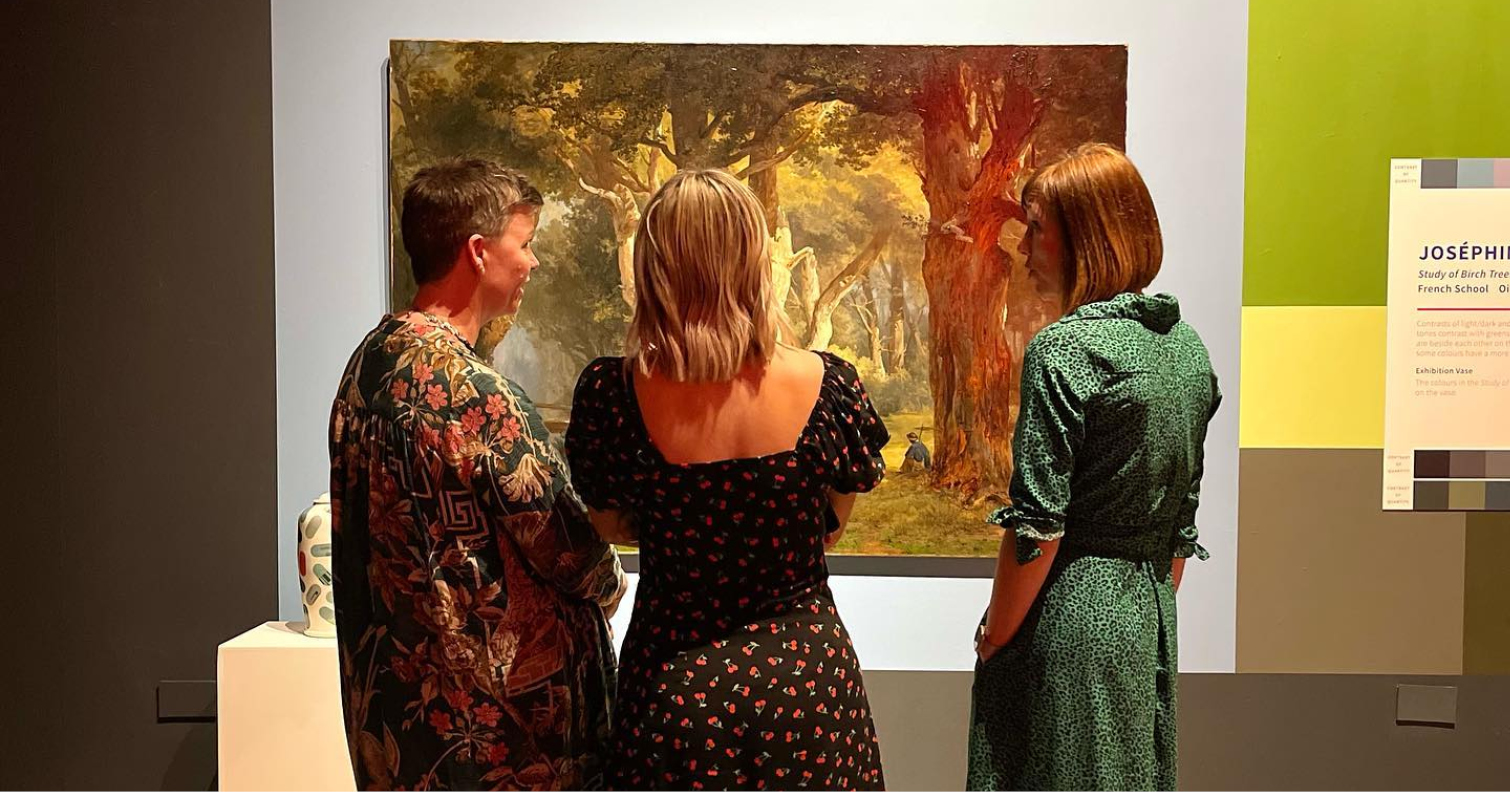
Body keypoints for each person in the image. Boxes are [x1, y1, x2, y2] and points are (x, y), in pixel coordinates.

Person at [565, 169, 888, 790]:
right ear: (754, 260)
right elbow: (831, 528)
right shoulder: (829, 384)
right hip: (807, 690)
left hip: (676, 694)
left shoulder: (612, 391)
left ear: (655, 267)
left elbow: (610, 522)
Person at [329, 159, 626, 791]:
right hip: (504, 746)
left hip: (403, 735)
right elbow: (575, 555)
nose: (533, 263)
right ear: (478, 251)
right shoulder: (473, 393)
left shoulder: (366, 368)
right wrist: (612, 579)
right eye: (526, 244)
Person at [967, 144, 1220, 791]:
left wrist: (995, 635)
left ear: (1085, 234)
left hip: (1071, 620)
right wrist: (1139, 606)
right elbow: (1179, 531)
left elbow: (1038, 529)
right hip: (1147, 619)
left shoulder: (1066, 350)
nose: (1024, 247)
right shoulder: (1185, 347)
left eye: (1038, 228)